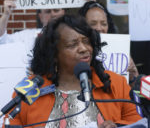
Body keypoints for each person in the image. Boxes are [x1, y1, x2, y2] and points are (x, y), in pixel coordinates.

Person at [3, 14, 141, 128]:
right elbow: (9, 123)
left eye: (86, 41)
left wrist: (116, 126)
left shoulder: (115, 83)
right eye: (72, 45)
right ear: (54, 54)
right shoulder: (29, 89)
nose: (83, 48)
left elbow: (137, 123)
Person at [78, 1, 139, 87]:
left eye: (104, 24)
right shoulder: (78, 52)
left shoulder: (120, 50)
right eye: (93, 24)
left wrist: (132, 75)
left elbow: (135, 92)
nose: (99, 28)